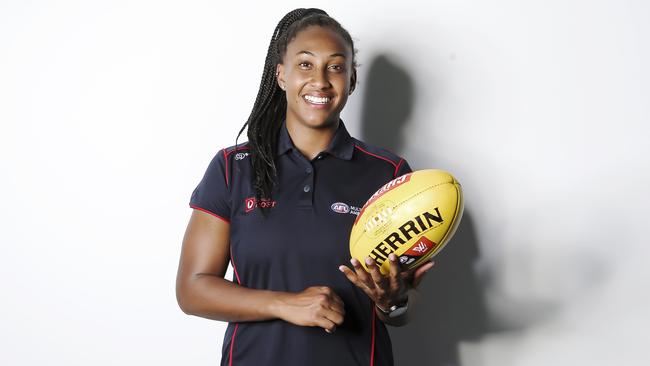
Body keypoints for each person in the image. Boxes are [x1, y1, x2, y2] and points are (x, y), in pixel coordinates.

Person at [176, 8, 434, 366]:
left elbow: (402, 308)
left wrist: (392, 301)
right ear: (281, 75)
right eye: (306, 65)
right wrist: (285, 304)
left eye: (336, 66)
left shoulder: (389, 174)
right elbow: (192, 289)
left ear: (352, 79)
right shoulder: (232, 168)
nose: (321, 80)